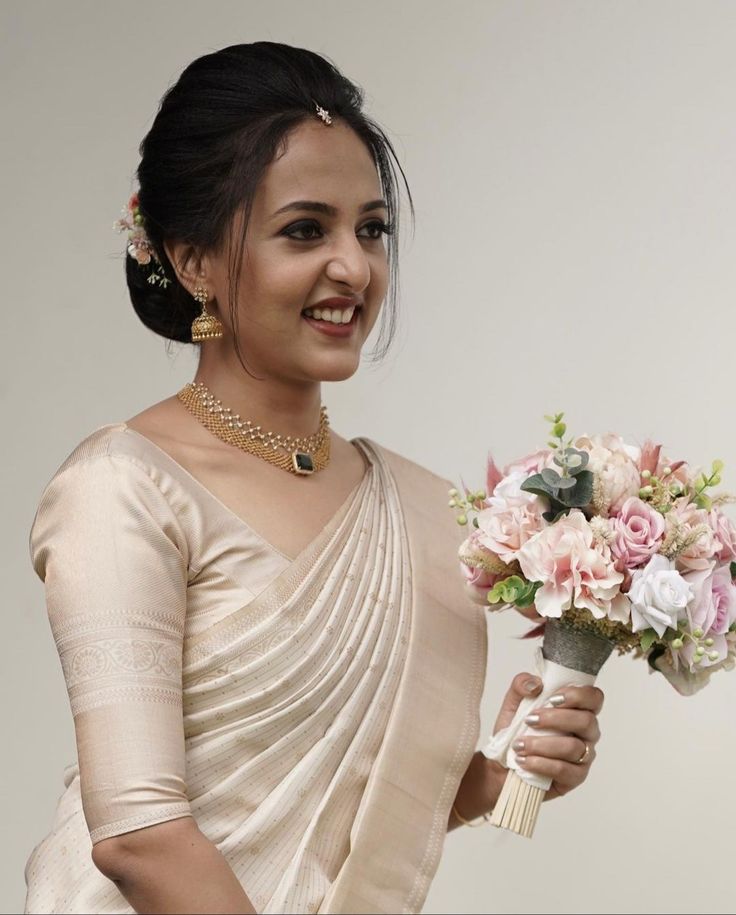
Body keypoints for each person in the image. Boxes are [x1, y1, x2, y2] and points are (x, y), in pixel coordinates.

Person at [23, 41, 605, 915]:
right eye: (306, 229)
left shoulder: (416, 506)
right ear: (194, 262)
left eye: (371, 228)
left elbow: (369, 812)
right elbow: (140, 839)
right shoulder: (123, 488)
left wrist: (502, 773)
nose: (355, 267)